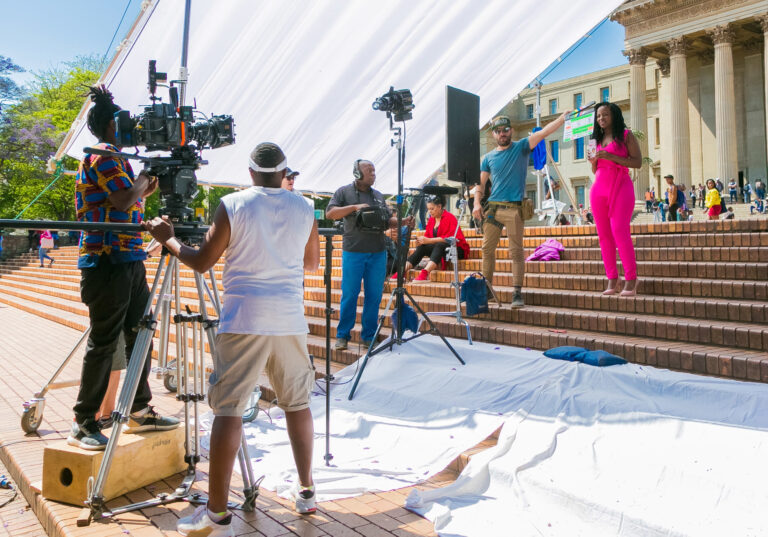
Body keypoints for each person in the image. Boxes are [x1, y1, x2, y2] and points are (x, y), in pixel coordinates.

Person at [144, 142, 320, 534]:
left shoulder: (233, 203)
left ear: (251, 172)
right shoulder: (304, 207)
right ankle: (307, 492)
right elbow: (310, 263)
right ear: (283, 170)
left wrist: (169, 239)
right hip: (289, 319)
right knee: (297, 404)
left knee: (228, 411)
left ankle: (217, 512)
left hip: (244, 318)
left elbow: (203, 260)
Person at [69, 85, 178, 451]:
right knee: (104, 343)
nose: (131, 127)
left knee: (141, 333)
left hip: (128, 259)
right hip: (107, 262)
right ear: (111, 125)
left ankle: (138, 408)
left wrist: (144, 185)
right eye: (124, 122)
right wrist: (145, 179)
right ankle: (84, 422)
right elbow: (122, 199)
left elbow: (131, 199)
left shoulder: (115, 158)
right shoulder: (104, 157)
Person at [473, 112, 568, 308]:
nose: (502, 133)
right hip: (493, 208)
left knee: (516, 251)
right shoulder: (488, 157)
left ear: (511, 130)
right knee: (486, 249)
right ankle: (486, 290)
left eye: (505, 130)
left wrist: (562, 119)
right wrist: (476, 203)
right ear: (493, 135)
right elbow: (479, 184)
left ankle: (517, 293)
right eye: (498, 131)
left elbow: (544, 133)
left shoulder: (522, 146)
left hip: (515, 208)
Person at [326, 159, 410, 350]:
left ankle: (368, 336)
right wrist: (354, 207)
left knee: (374, 296)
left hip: (378, 253)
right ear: (357, 173)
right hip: (353, 252)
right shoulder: (343, 192)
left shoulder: (378, 196)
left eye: (374, 170)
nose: (373, 173)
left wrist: (404, 221)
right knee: (350, 295)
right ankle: (343, 336)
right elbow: (330, 213)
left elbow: (388, 220)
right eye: (368, 170)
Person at [588, 102, 642, 296]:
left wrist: (610, 156)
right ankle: (612, 277)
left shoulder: (626, 136)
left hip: (621, 186)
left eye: (605, 115)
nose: (601, 119)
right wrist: (593, 161)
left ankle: (631, 278)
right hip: (598, 189)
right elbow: (595, 169)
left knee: (620, 230)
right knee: (603, 235)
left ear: (614, 115)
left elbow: (638, 162)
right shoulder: (595, 139)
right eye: (598, 116)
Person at [398, 194, 469, 282]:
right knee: (422, 247)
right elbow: (427, 237)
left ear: (439, 206)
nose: (430, 212)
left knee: (440, 245)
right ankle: (401, 271)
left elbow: (450, 239)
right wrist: (421, 241)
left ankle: (425, 273)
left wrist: (429, 240)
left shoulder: (450, 217)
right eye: (428, 209)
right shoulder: (431, 220)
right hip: (440, 248)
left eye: (432, 209)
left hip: (456, 248)